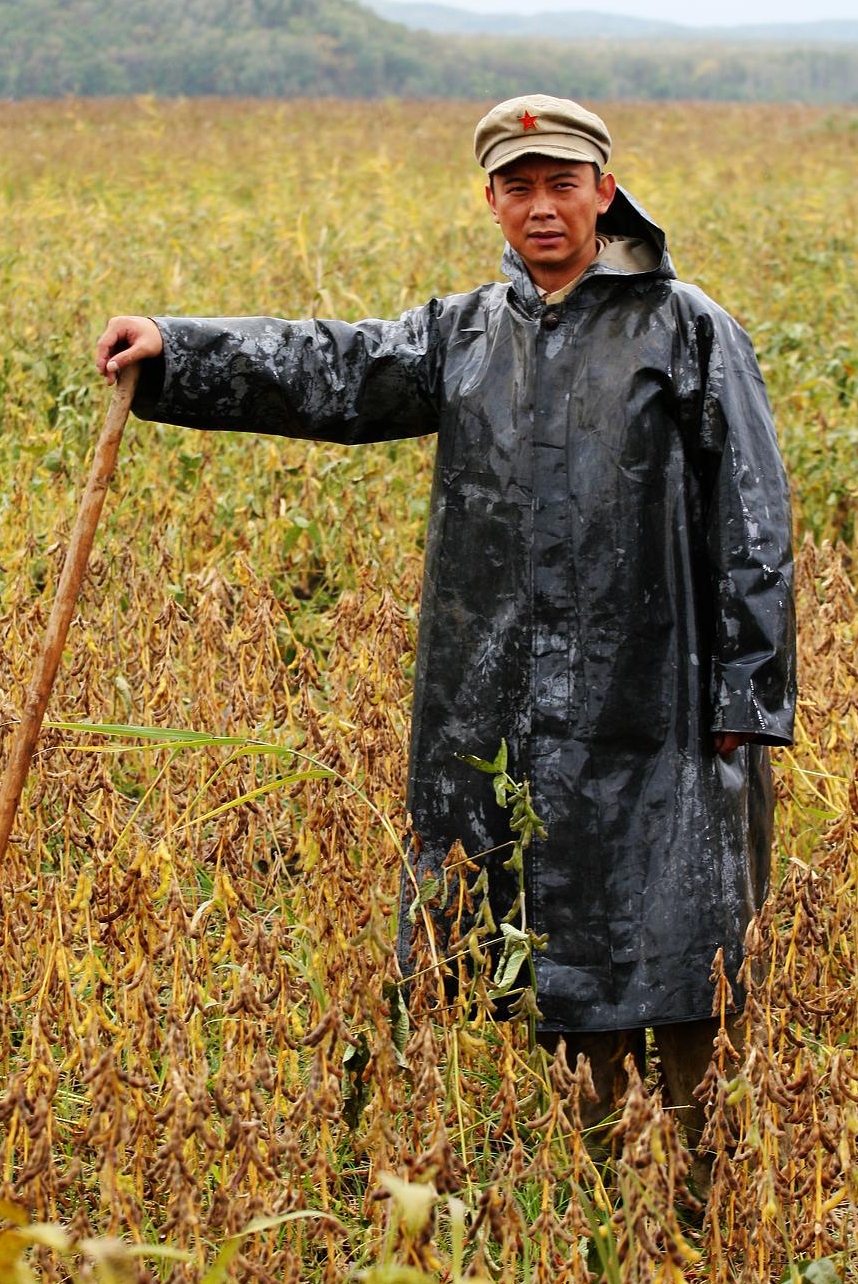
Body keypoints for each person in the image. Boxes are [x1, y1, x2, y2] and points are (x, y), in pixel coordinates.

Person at [95, 95, 796, 1164]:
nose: (543, 205)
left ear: (605, 192)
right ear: (492, 202)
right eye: (519, 186)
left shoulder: (687, 328)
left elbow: (755, 519)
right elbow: (332, 370)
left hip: (656, 715)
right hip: (498, 709)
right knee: (521, 951)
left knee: (673, 963)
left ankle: (690, 1207)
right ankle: (569, 1203)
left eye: (563, 182)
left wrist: (749, 696)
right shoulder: (463, 335)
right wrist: (176, 352)